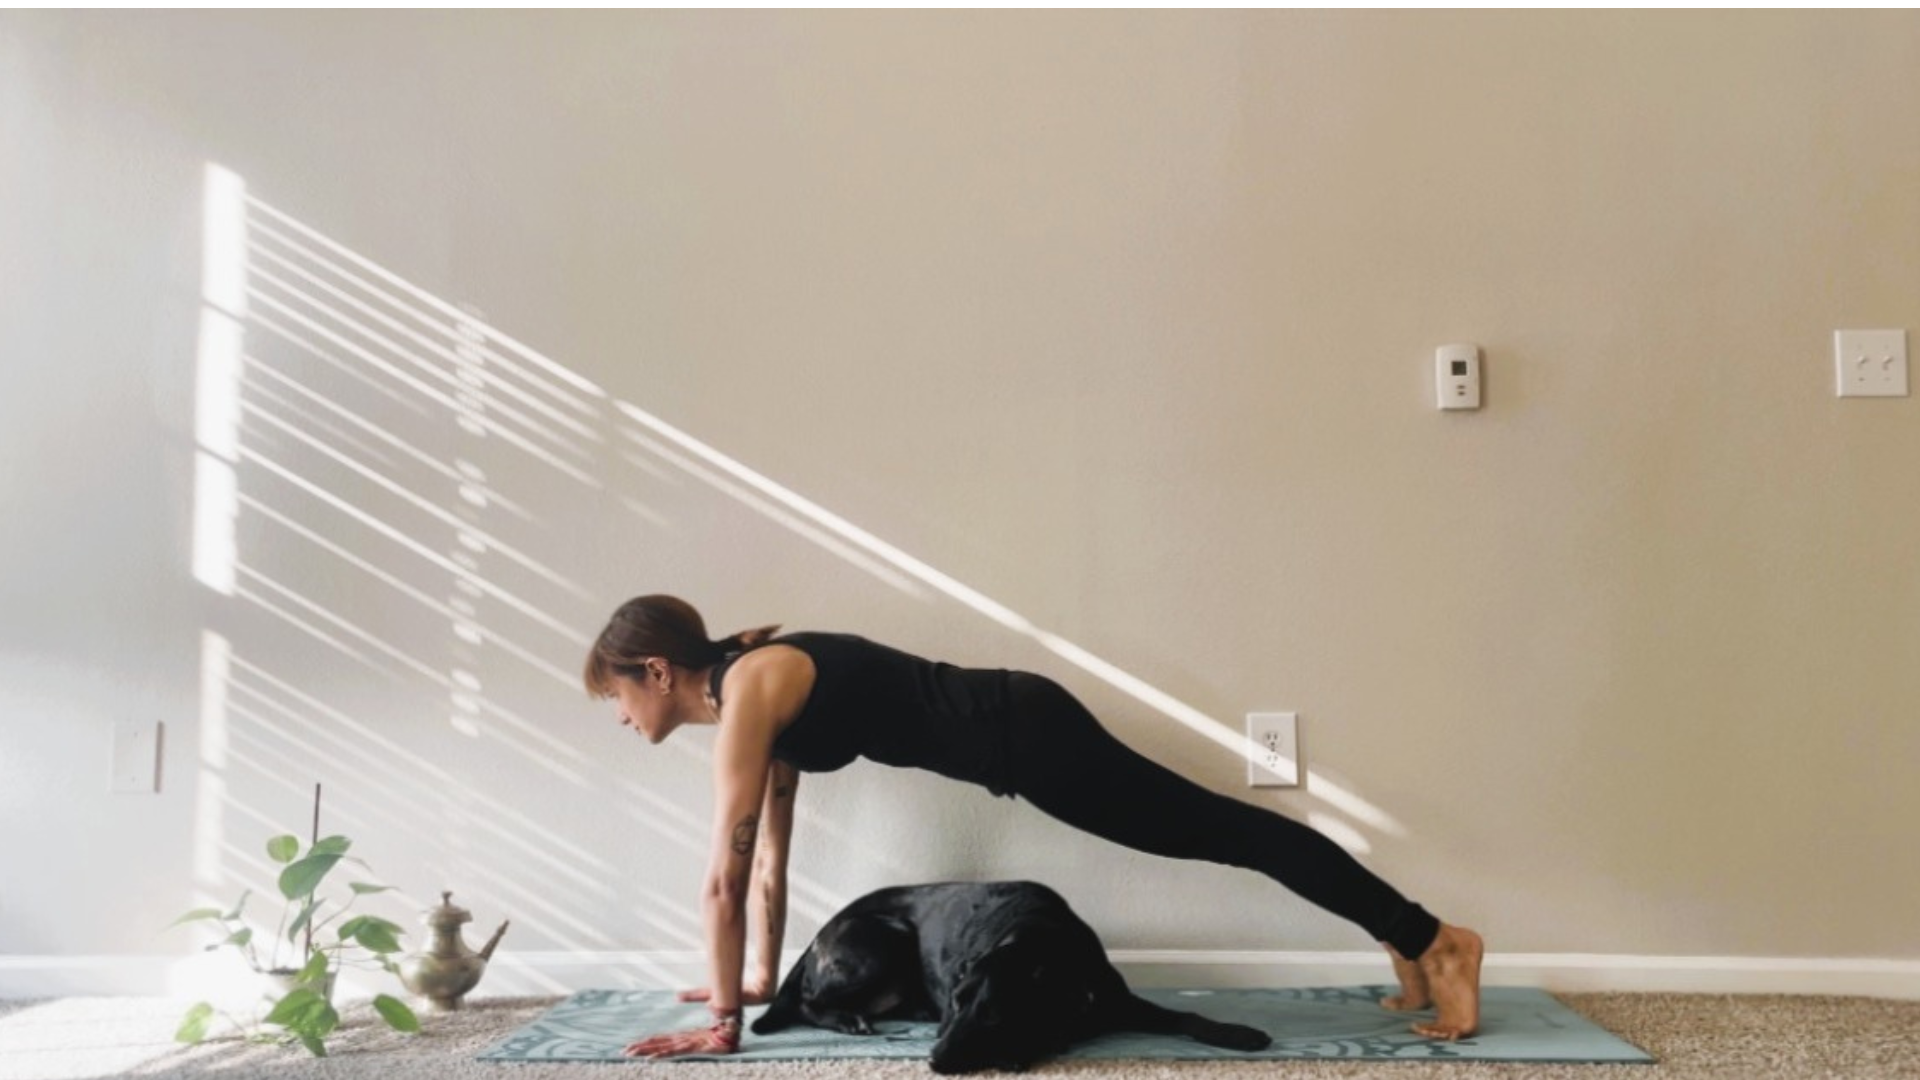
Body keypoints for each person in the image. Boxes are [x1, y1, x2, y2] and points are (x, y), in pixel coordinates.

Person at [585, 595, 1484, 1059]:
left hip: (1024, 735)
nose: (619, 718)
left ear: (656, 671)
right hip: (1018, 731)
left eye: (616, 696)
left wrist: (721, 1034)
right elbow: (766, 868)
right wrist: (743, 987)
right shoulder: (754, 692)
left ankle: (1437, 941)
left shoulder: (750, 690)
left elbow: (720, 880)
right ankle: (1401, 939)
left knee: (1226, 832)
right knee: (1227, 830)